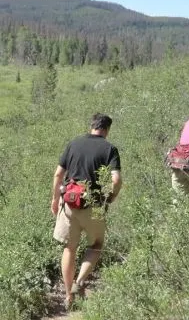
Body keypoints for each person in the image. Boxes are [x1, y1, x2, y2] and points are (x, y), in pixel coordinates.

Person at [51, 113, 122, 311]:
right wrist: (111, 197)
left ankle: (67, 296)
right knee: (97, 244)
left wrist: (55, 199)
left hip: (70, 204)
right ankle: (80, 282)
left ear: (92, 126)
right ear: (107, 130)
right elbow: (116, 180)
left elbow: (58, 174)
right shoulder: (109, 148)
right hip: (95, 205)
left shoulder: (74, 143)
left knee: (69, 248)